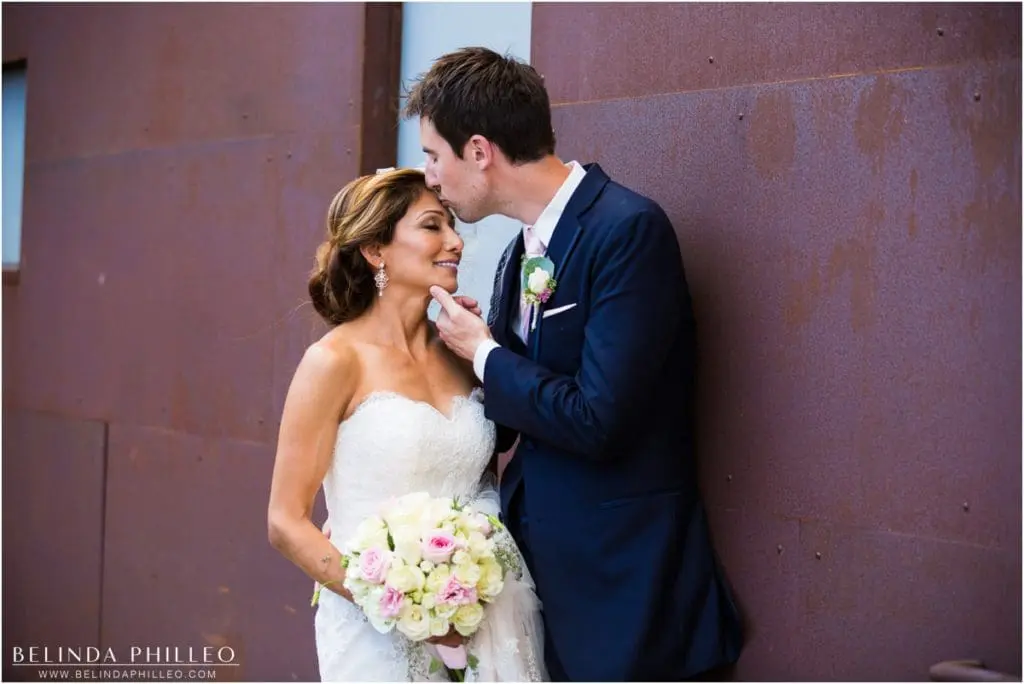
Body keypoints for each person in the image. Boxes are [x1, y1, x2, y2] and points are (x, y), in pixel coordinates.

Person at [405, 47, 744, 681]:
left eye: (433, 155)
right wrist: (449, 359)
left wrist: (484, 352)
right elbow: (511, 419)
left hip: (627, 590)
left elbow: (598, 418)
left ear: (479, 152)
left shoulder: (627, 230)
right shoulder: (516, 253)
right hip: (541, 584)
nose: (428, 175)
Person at [267, 168, 546, 682]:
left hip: (490, 613)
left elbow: (481, 480)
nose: (456, 241)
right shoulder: (333, 362)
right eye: (432, 226)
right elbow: (285, 522)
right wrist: (401, 602)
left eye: (453, 226)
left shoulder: (463, 354)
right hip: (379, 633)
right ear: (376, 251)